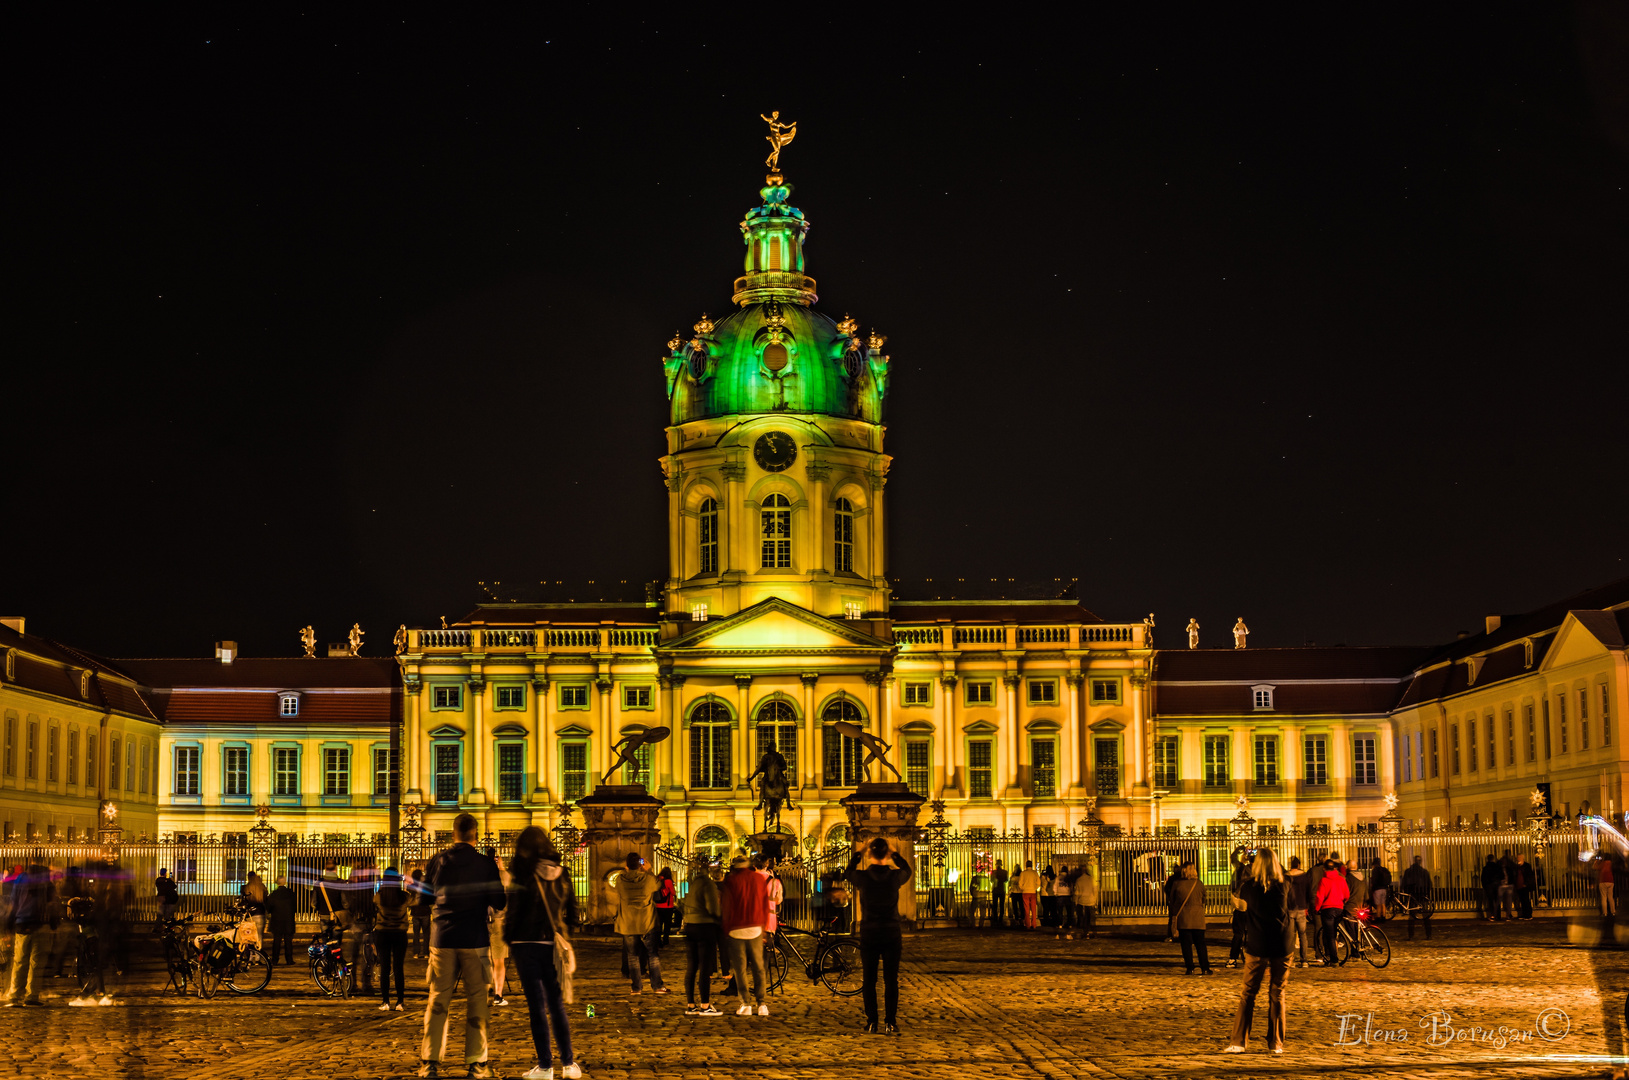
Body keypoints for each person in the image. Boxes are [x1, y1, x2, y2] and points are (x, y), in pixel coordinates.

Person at [419, 812, 506, 1079]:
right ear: (476, 834)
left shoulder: (436, 860)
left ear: (454, 833)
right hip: (475, 939)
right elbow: (499, 902)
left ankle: (430, 1062)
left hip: (442, 938)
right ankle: (477, 1063)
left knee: (437, 1000)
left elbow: (423, 900)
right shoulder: (485, 864)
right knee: (478, 1000)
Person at [504, 827, 581, 1080]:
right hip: (552, 945)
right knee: (557, 1005)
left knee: (536, 1007)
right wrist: (563, 931)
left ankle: (545, 1066)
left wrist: (508, 939)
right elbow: (573, 911)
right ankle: (569, 1064)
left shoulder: (523, 873)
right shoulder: (563, 873)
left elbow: (513, 911)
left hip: (525, 944)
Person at [1223, 848, 1292, 1055]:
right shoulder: (1286, 884)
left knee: (1248, 993)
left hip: (1258, 942)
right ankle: (1276, 1043)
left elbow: (1241, 907)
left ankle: (1239, 1041)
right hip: (1282, 942)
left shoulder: (1249, 888)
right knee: (1277, 993)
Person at [846, 836, 912, 1034]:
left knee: (869, 979)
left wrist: (859, 853)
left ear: (870, 854)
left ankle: (872, 1021)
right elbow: (908, 870)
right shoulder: (894, 877)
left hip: (870, 931)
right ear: (887, 854)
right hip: (891, 931)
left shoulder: (863, 877)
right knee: (891, 979)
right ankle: (890, 1022)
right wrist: (895, 855)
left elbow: (848, 872)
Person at [719, 855, 770, 1015]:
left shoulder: (731, 881)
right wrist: (764, 928)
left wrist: (725, 929)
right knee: (758, 967)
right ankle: (762, 1004)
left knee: (740, 968)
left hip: (736, 928)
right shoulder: (758, 878)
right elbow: (764, 904)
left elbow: (726, 906)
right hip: (755, 927)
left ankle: (745, 1003)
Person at [4, 861, 57, 1006]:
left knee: (20, 960)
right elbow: (52, 902)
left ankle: (15, 995)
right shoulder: (46, 880)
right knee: (36, 962)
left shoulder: (21, 878)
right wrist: (54, 921)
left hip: (22, 922)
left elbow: (13, 901)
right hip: (40, 924)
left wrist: (10, 920)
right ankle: (32, 995)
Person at [613, 852, 665, 996]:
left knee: (632, 956)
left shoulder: (620, 880)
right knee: (653, 954)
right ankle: (657, 986)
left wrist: (630, 871)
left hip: (628, 923)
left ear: (626, 865)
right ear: (640, 864)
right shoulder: (648, 879)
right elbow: (658, 885)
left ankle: (636, 987)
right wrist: (649, 870)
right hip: (647, 921)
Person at [681, 862, 722, 1017]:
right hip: (704, 926)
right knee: (705, 968)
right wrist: (719, 920)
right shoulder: (708, 884)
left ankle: (691, 1004)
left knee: (692, 967)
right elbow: (713, 908)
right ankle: (705, 1005)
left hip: (690, 925)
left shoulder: (692, 884)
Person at [375, 867, 412, 1012]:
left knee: (385, 968)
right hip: (399, 933)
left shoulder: (379, 896)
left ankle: (385, 1001)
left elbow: (374, 903)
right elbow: (415, 900)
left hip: (383, 932)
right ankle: (400, 1002)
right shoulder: (404, 896)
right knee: (398, 968)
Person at [1170, 862, 1211, 976]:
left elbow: (1172, 899)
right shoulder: (1199, 884)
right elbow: (1204, 900)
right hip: (1198, 918)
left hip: (1184, 918)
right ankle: (1205, 967)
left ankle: (1190, 968)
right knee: (1201, 944)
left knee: (1186, 945)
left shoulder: (1177, 884)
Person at [485, 847, 511, 1007]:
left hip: (481, 921)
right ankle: (498, 994)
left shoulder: (480, 876)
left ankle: (485, 988)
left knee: (483, 959)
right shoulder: (503, 875)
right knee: (499, 961)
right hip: (500, 921)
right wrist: (501, 867)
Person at [1314, 856, 1349, 964]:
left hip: (1327, 909)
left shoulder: (1324, 880)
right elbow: (1347, 894)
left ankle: (1333, 959)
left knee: (1330, 935)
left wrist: (1316, 909)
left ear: (1324, 869)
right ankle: (1335, 952)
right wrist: (1343, 902)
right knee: (1335, 932)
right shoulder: (1341, 879)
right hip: (1339, 908)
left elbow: (1320, 897)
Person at [1286, 857, 1314, 967]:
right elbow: (1309, 892)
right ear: (1299, 864)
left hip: (1289, 908)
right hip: (1302, 907)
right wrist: (1309, 906)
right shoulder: (1305, 876)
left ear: (1290, 865)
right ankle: (1304, 960)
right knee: (1302, 935)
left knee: (1290, 936)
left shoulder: (1286, 877)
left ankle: (1290, 960)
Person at [1226, 849, 1250, 968]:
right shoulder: (1255, 883)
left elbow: (1233, 858)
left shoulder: (1240, 883)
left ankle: (1232, 959)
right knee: (1252, 934)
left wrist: (1239, 848)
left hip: (1241, 910)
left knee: (1238, 934)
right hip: (1252, 910)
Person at [266, 875, 297, 966]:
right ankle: (289, 959)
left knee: (276, 941)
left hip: (277, 920)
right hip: (288, 920)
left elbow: (268, 908)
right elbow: (294, 907)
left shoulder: (273, 894)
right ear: (285, 882)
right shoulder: (291, 893)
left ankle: (275, 960)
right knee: (288, 941)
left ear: (277, 882)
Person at [1401, 855, 1433, 940]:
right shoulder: (1424, 872)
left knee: (1412, 916)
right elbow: (1429, 884)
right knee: (1426, 916)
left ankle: (1411, 935)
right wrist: (1426, 894)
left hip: (1412, 896)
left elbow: (1404, 884)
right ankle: (1428, 935)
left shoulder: (1408, 872)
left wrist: (1408, 893)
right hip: (1422, 896)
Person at [409, 867, 433, 958]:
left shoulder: (412, 886)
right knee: (426, 934)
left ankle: (416, 953)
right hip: (425, 911)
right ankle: (426, 953)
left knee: (416, 934)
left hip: (415, 912)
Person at [1071, 862, 1098, 939]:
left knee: (1081, 916)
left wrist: (1075, 901)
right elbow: (1095, 890)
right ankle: (1087, 930)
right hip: (1090, 900)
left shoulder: (1079, 880)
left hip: (1081, 900)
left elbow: (1077, 892)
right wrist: (1095, 900)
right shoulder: (1091, 879)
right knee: (1088, 916)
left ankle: (1082, 930)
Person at [653, 868, 678, 950]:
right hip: (667, 906)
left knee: (659, 924)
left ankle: (658, 940)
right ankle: (665, 940)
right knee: (667, 924)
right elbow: (673, 892)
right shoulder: (668, 881)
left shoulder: (657, 879)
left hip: (658, 905)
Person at [240, 870, 268, 939]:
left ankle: (251, 949)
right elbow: (266, 899)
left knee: (250, 936)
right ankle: (259, 948)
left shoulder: (246, 888)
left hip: (250, 914)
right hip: (260, 913)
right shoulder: (261, 887)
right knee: (260, 935)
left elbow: (243, 901)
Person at [1014, 861, 1041, 930]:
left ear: (1026, 865)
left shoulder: (1023, 873)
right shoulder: (1034, 873)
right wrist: (1035, 888)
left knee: (1026, 909)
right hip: (1033, 892)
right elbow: (1038, 882)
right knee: (1033, 909)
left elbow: (1020, 883)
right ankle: (1034, 924)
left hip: (1025, 892)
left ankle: (1027, 925)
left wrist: (1023, 888)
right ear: (1031, 865)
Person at [1051, 864, 1073, 937]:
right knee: (1068, 911)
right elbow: (1071, 886)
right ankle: (1069, 924)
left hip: (1060, 895)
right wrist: (1071, 892)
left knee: (1060, 911)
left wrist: (1055, 893)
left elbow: (1055, 886)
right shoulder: (1069, 878)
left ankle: (1060, 924)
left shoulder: (1058, 878)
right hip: (1067, 895)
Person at [1514, 855, 1535, 921]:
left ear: (1522, 858)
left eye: (1519, 858)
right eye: (1518, 858)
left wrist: (1526, 883)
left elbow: (1530, 876)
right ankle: (1524, 914)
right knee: (1522, 900)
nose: (1518, 859)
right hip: (1519, 886)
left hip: (1524, 886)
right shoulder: (1518, 866)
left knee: (1526, 900)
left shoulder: (1527, 866)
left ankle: (1528, 915)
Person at [991, 860, 1009, 928]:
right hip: (1002, 890)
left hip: (995, 890)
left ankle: (995, 918)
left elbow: (991, 880)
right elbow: (1006, 880)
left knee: (995, 904)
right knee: (1002, 904)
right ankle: (1000, 918)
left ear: (996, 865)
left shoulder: (994, 872)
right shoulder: (1005, 872)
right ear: (1001, 865)